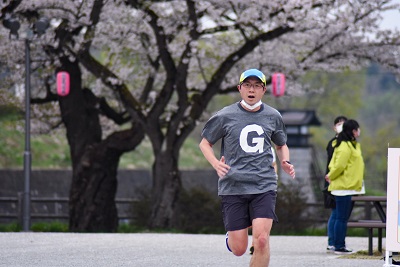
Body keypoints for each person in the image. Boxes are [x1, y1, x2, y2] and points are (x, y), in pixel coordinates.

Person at [199, 68, 295, 266]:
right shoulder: (225, 115)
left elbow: (281, 144)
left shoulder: (272, 115)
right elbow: (204, 143)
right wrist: (216, 164)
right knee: (239, 249)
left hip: (264, 184)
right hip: (233, 185)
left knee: (261, 240)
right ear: (239, 88)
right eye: (247, 86)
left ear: (263, 90)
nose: (252, 90)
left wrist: (285, 160)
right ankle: (231, 238)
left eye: (257, 86)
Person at [325, 119, 365, 255]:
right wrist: (331, 175)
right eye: (357, 129)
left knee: (340, 217)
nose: (359, 131)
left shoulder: (352, 145)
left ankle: (338, 244)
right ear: (352, 131)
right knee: (341, 218)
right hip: (343, 187)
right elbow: (339, 165)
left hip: (349, 186)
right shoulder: (344, 146)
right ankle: (338, 245)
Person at [325, 115, 347, 253]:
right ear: (334, 127)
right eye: (339, 124)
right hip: (333, 180)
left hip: (337, 180)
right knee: (336, 213)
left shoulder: (343, 142)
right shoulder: (334, 142)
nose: (341, 126)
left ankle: (333, 242)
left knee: (337, 213)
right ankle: (333, 242)